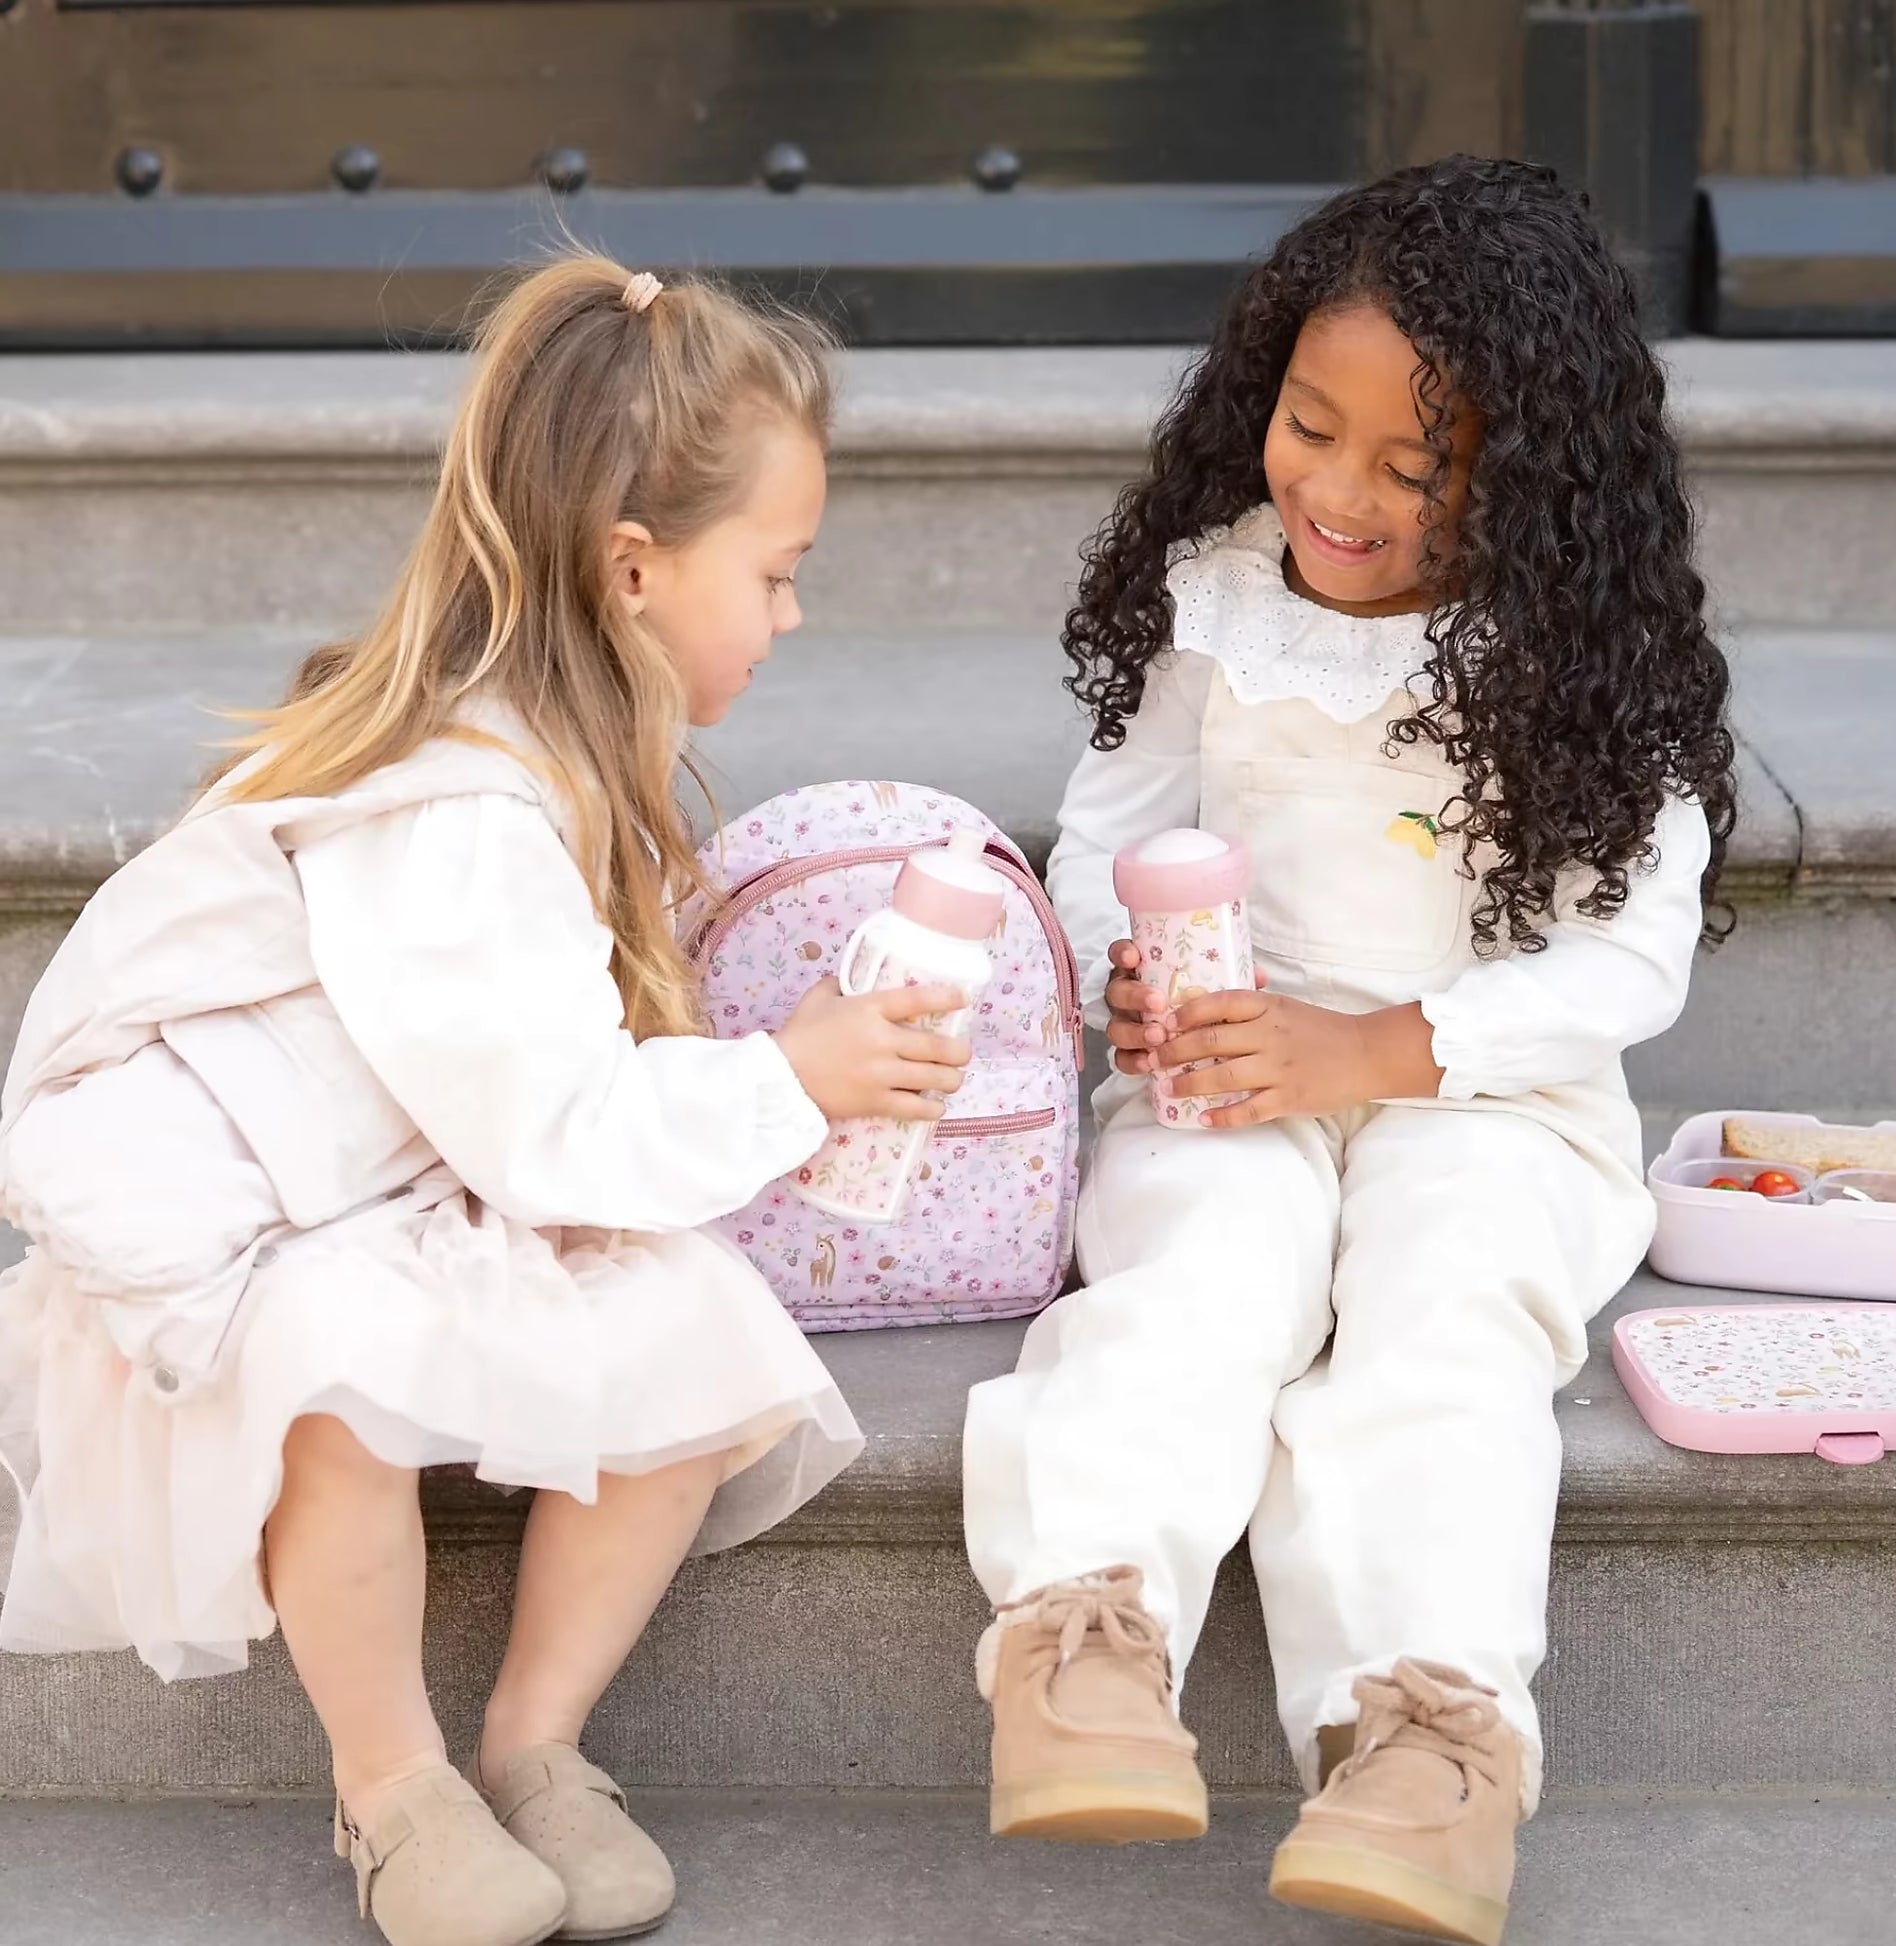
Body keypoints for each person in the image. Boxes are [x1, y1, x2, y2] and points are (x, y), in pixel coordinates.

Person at [0, 257, 970, 1946]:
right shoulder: (458, 806)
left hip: (396, 1159)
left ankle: (533, 1743)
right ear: (633, 568)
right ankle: (395, 1787)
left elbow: (530, 1109)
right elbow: (541, 1132)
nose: (794, 615)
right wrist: (785, 1078)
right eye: (779, 572)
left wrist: (770, 1077)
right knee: (327, 1376)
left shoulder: (552, 763)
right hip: (245, 1194)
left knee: (691, 1320)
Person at [962, 157, 1735, 1946]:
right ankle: (1083, 1635)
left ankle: (1423, 1736)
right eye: (1311, 427)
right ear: (1263, 389)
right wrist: (1122, 977)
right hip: (1230, 1045)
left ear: (1529, 482)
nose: (1340, 490)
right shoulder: (1216, 588)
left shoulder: (1571, 647)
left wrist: (1375, 1050)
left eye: (1415, 465)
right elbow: (1110, 822)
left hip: (1486, 1087)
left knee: (1446, 1317)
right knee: (1191, 1270)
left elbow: (1623, 952)